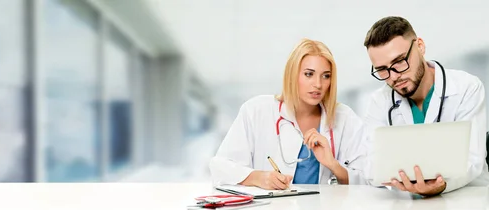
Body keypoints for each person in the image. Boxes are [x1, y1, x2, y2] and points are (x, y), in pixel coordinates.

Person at [209, 38, 369, 190]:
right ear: (292, 74)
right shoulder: (256, 110)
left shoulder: (345, 117)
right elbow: (220, 167)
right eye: (308, 74)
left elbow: (368, 180)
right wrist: (259, 177)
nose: (318, 84)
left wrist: (333, 165)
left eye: (326, 76)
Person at [362, 16, 489, 196]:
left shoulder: (466, 87)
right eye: (382, 69)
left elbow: (473, 160)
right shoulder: (378, 101)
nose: (393, 76)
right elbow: (370, 167)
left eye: (399, 61)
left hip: (466, 199)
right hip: (408, 204)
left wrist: (441, 184)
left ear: (420, 46)